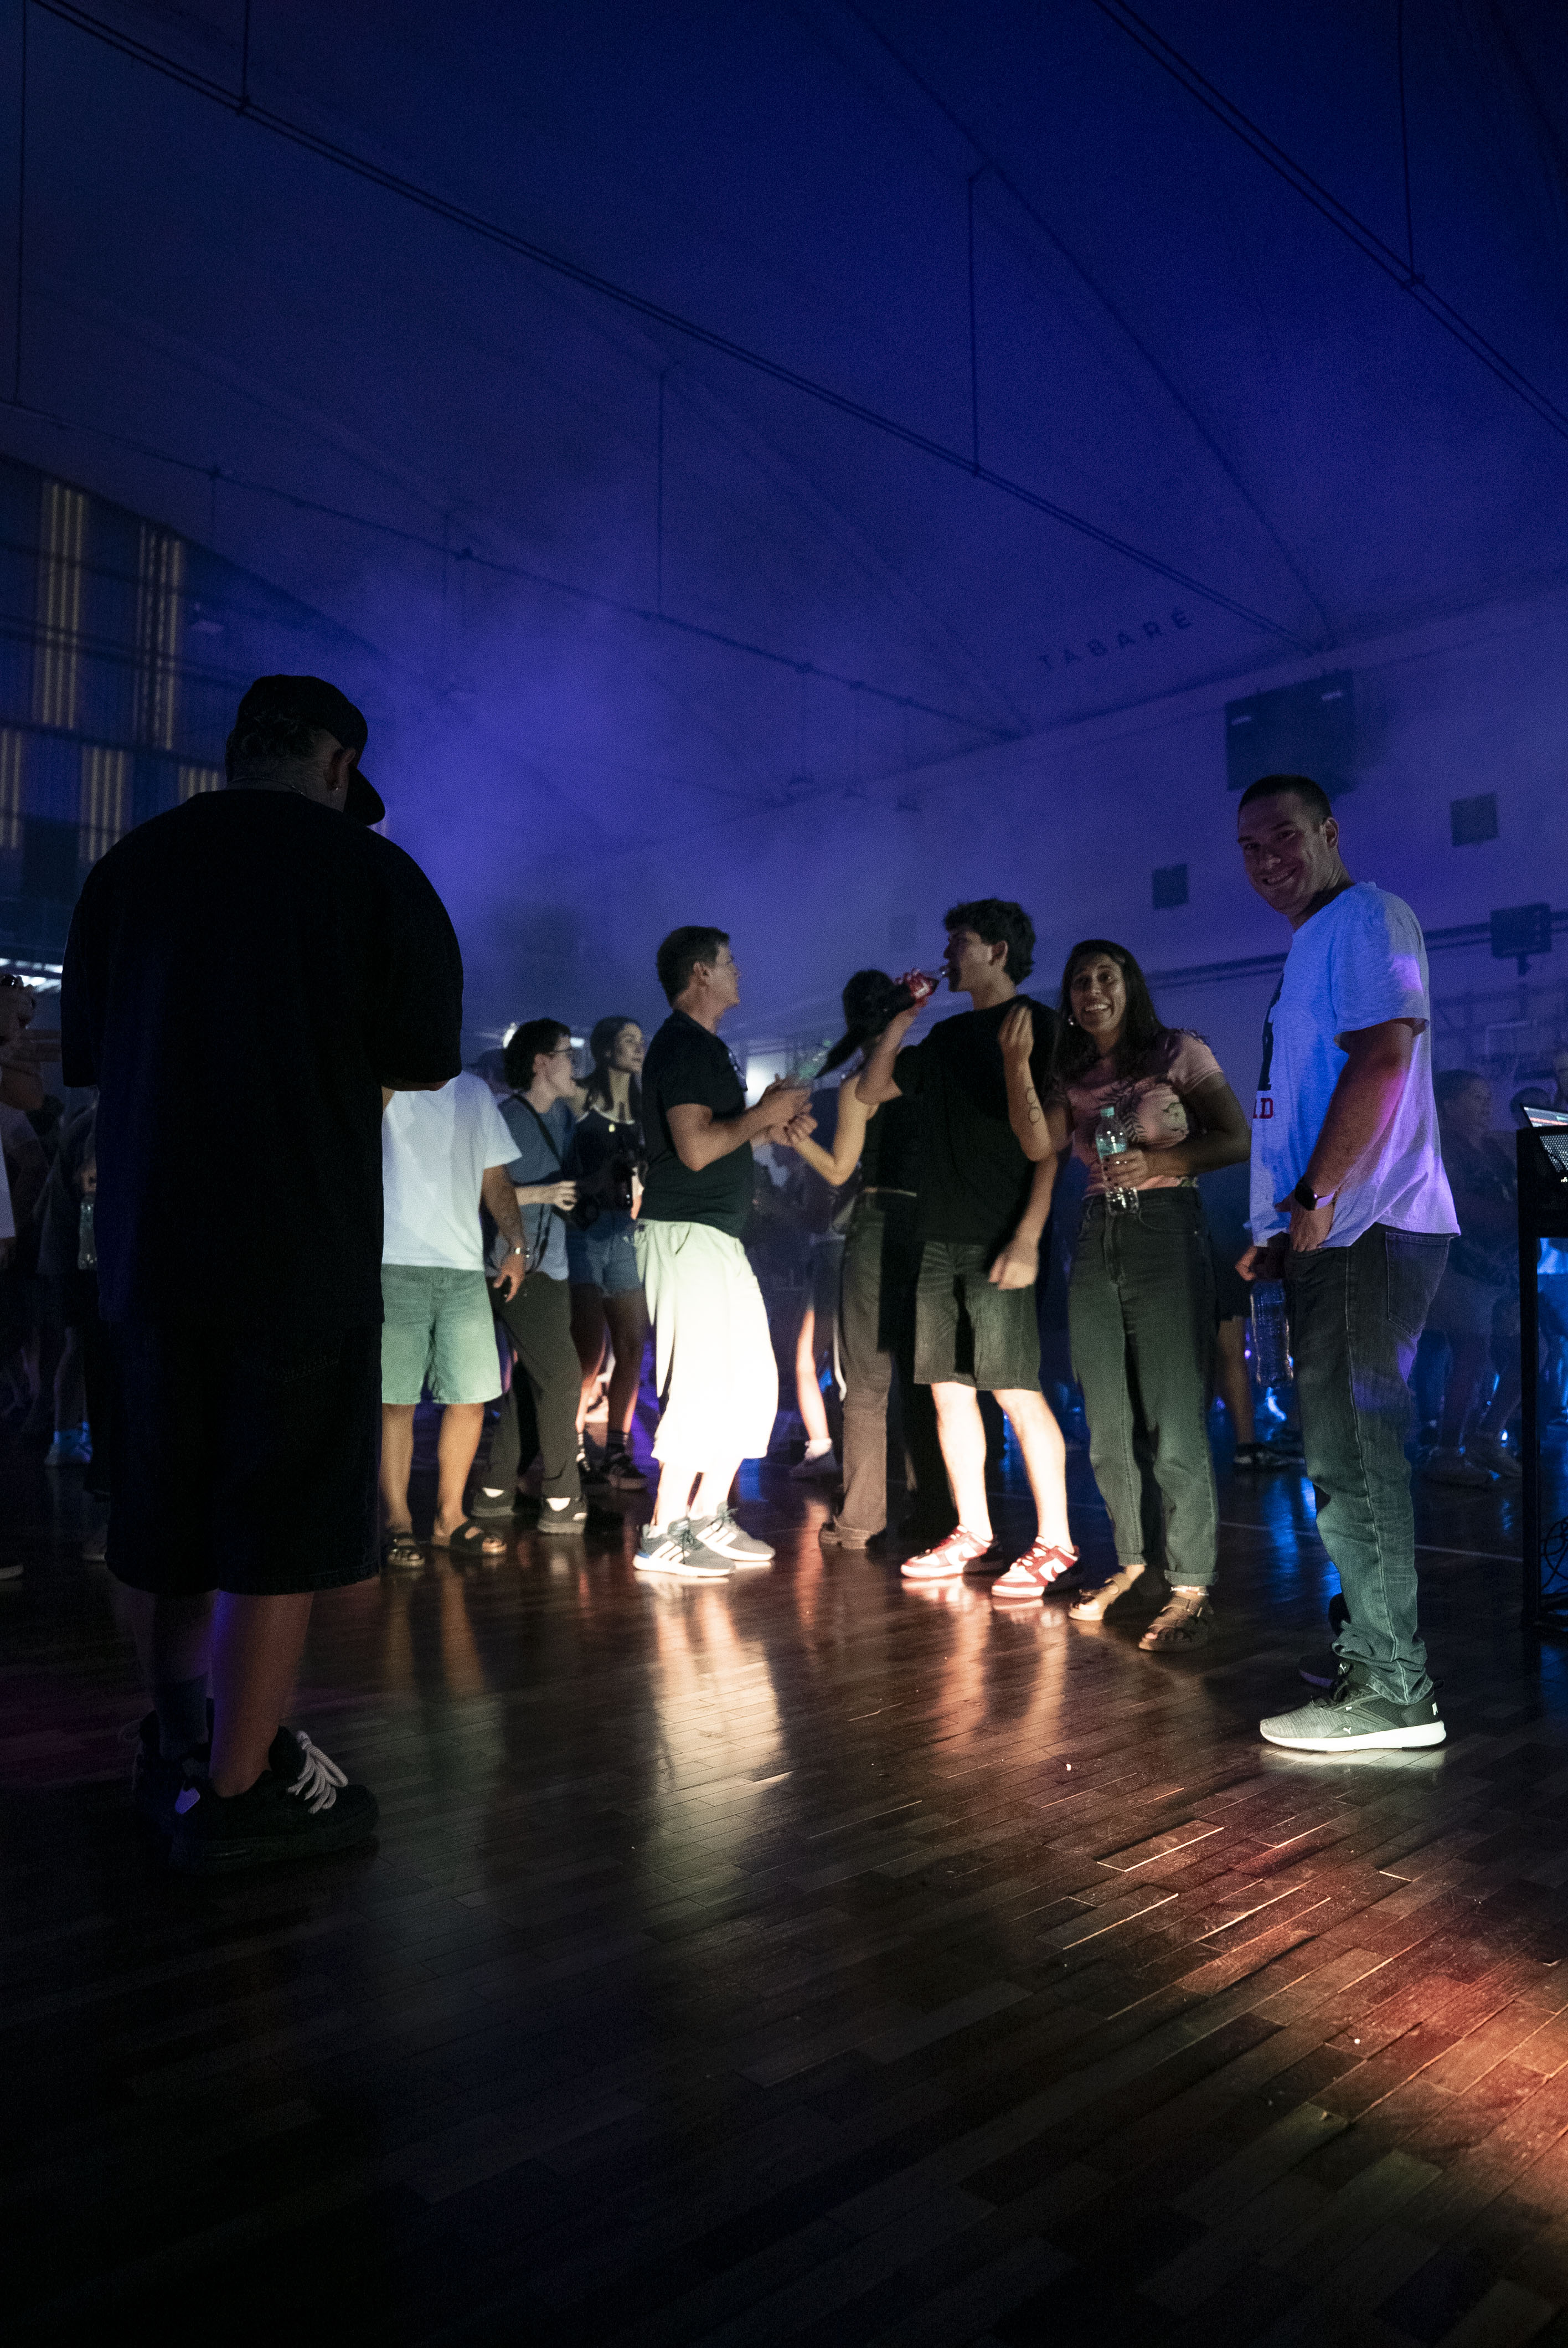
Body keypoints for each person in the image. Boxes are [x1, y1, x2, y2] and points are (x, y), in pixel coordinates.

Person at [60, 672, 464, 1869]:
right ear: (339, 764)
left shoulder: (127, 872)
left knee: (168, 1518)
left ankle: (178, 1742)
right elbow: (421, 1057)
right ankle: (239, 1794)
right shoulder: (373, 875)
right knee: (273, 1528)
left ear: (240, 752)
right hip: (297, 1249)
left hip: (147, 1255)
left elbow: (89, 1059)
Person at [1234, 773, 1456, 1753]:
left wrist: (1318, 1197)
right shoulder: (1316, 941)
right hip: (1337, 1229)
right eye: (1249, 848)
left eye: (1283, 835)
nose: (1266, 859)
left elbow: (1382, 1059)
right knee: (1341, 1458)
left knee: (1354, 1461)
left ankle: (1394, 1691)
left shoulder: (1365, 917)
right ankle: (1372, 1656)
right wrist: (1276, 1227)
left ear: (1328, 831)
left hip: (1367, 1226)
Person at [1000, 943, 1250, 1644]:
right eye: (1080, 981)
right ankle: (1137, 1565)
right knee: (1108, 1422)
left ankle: (1191, 1584)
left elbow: (1235, 1138)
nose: (1092, 990)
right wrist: (1018, 1063)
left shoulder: (1177, 1050)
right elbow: (1038, 1145)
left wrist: (1160, 1159)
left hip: (1167, 1228)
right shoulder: (1071, 1073)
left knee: (1173, 1416)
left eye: (1106, 976)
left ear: (1129, 985)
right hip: (1096, 1233)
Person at [857, 898, 1072, 1589]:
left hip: (1000, 1235)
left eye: (960, 943)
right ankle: (973, 1529)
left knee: (1014, 1390)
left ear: (998, 951)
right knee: (950, 1393)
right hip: (938, 1235)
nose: (948, 956)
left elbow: (1054, 1147)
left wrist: (1029, 1236)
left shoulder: (1039, 1025)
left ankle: (1056, 1541)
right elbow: (871, 1088)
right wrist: (902, 1018)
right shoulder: (948, 1035)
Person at [635, 926, 811, 1578]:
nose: (741, 971)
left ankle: (708, 1514)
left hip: (717, 1235)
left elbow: (719, 1142)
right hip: (686, 1232)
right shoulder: (682, 1044)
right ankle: (662, 1530)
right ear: (701, 973)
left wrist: (768, 1124)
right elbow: (695, 1149)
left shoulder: (707, 1048)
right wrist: (762, 1114)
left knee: (753, 1381)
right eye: (730, 962)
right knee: (703, 1382)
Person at [791, 970, 951, 1551]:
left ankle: (861, 1520)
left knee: (866, 1384)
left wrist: (796, 1139)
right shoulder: (929, 1071)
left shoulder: (861, 1083)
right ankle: (938, 1513)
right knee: (927, 1380)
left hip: (879, 1223)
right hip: (933, 1227)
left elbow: (840, 1170)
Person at [378, 1073, 528, 1562]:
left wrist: (516, 1244)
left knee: (471, 1396)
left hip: (463, 1266)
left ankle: (450, 1518)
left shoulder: (475, 1092)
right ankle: (398, 1522)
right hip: (392, 1259)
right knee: (395, 1400)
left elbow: (495, 1175)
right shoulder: (385, 1080)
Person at [479, 1018, 594, 1532]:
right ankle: (562, 1499)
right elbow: (477, 1190)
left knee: (534, 1380)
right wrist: (542, 1193)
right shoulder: (506, 1117)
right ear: (541, 1063)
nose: (576, 1065)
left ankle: (494, 1490)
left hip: (554, 1265)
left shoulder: (565, 1117)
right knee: (564, 1377)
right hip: (515, 1266)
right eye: (568, 1055)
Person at [1421, 1069, 1520, 1486]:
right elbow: (1457, 1206)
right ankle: (1447, 1453)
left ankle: (1485, 1438)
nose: (1487, 1105)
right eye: (1476, 1098)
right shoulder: (1441, 1149)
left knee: (1531, 1354)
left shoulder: (1493, 1149)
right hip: (1462, 1268)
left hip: (1505, 1271)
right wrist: (1517, 1215)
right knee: (1471, 1356)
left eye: (1487, 1097)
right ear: (1448, 1105)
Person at [567, 1016, 649, 1492]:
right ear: (604, 1050)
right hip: (583, 1229)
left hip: (624, 1228)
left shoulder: (642, 1107)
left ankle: (617, 1450)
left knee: (633, 1344)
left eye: (641, 1041)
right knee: (589, 1352)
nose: (638, 1048)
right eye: (628, 1041)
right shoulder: (581, 1098)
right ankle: (574, 1446)